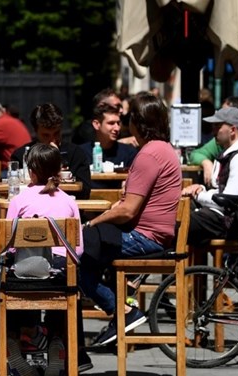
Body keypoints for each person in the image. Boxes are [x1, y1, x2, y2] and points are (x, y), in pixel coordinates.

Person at [80, 92, 182, 347]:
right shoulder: (163, 149)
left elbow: (127, 211)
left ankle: (123, 312)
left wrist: (93, 222)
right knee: (86, 248)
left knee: (75, 250)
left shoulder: (148, 154)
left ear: (137, 122)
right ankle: (121, 310)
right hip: (153, 234)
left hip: (144, 238)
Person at [5, 143, 91, 376]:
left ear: (30, 170)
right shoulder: (69, 201)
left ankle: (15, 339)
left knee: (8, 277)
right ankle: (57, 341)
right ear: (60, 169)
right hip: (61, 274)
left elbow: (9, 246)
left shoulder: (19, 200)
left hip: (27, 273)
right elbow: (79, 248)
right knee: (69, 279)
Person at [182, 107, 238, 243]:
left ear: (232, 130)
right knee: (177, 211)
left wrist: (198, 195)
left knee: (178, 224)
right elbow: (220, 190)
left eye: (217, 126)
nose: (213, 131)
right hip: (222, 218)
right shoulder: (226, 153)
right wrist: (201, 189)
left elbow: (228, 201)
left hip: (236, 224)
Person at [12, 103, 92, 199]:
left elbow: (85, 191)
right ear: (35, 131)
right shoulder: (21, 155)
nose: (52, 140)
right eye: (46, 135)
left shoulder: (76, 153)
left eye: (56, 133)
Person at [189, 97, 238, 186]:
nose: (220, 113)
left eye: (225, 111)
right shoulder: (222, 139)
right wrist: (206, 163)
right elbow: (195, 154)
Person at [79, 101, 138, 188]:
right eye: (111, 123)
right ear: (96, 124)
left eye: (118, 123)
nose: (117, 128)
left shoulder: (129, 153)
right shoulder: (81, 153)